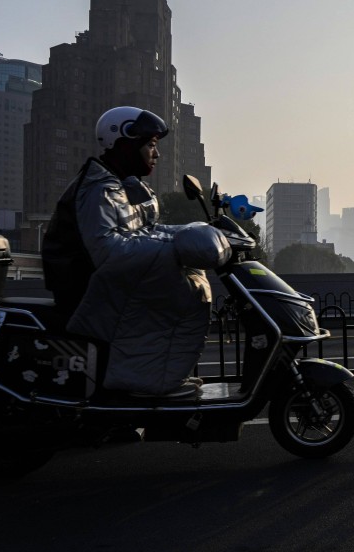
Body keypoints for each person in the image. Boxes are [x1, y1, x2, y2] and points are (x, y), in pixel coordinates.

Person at [42, 106, 230, 398]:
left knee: (187, 288)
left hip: (105, 286)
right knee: (183, 294)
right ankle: (144, 386)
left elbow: (146, 231)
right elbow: (107, 251)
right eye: (151, 145)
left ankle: (154, 380)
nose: (156, 154)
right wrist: (175, 247)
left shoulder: (119, 186)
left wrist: (193, 232)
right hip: (87, 291)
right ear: (124, 143)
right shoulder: (99, 191)